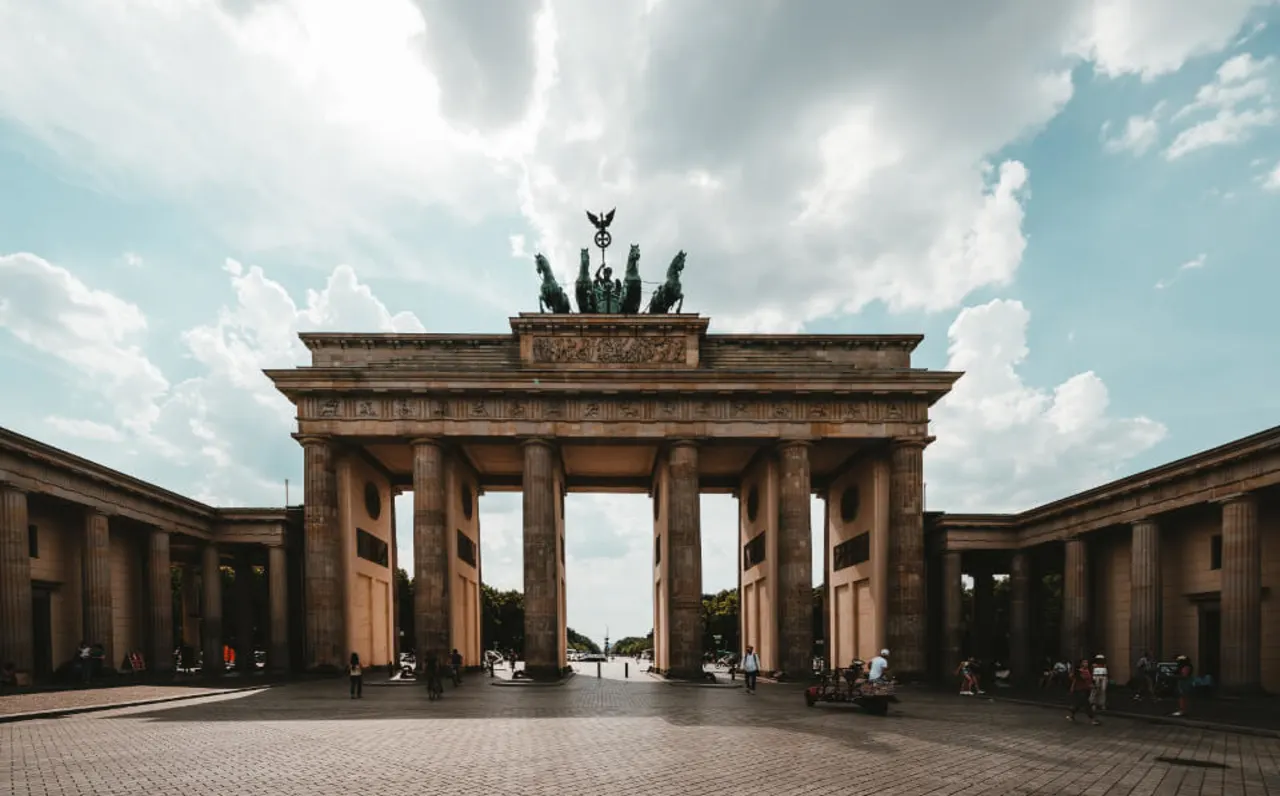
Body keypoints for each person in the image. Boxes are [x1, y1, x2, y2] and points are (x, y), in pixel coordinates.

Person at [1067, 658, 1101, 725]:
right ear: (1081, 664)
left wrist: (1093, 686)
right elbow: (1073, 678)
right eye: (1084, 662)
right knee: (1086, 704)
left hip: (1086, 690)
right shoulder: (1079, 671)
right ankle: (1093, 719)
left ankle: (1071, 716)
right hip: (1080, 690)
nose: (1086, 664)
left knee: (1078, 704)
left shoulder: (1087, 671)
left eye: (1087, 662)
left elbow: (1089, 681)